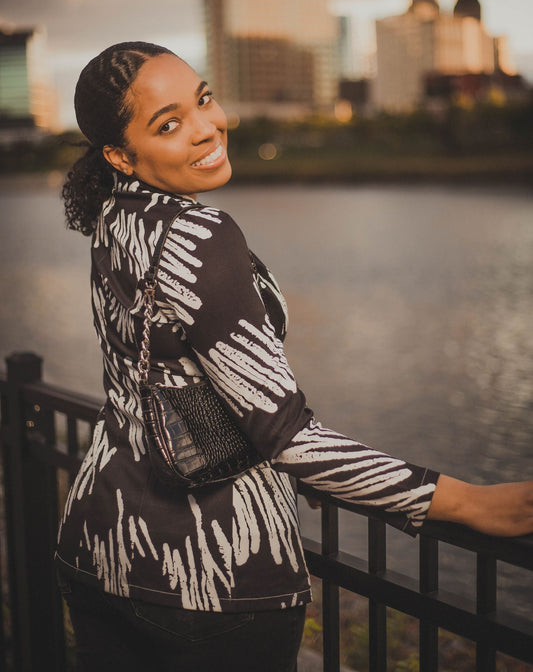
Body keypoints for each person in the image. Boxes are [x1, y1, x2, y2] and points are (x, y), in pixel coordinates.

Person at [55, 41, 533, 672]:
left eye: (203, 100)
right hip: (209, 576)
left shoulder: (113, 217)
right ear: (120, 153)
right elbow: (287, 436)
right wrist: (468, 501)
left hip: (97, 546)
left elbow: (156, 376)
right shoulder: (201, 235)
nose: (206, 128)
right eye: (169, 124)